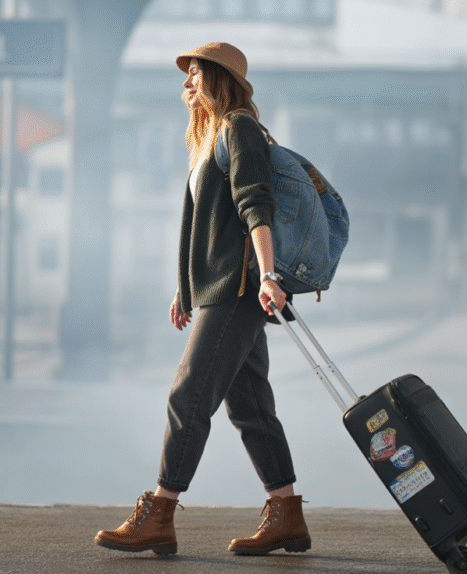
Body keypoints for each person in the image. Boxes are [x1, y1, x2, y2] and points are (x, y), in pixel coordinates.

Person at [94, 42, 311, 557]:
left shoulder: (238, 127)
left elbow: (254, 204)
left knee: (189, 396)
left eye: (194, 75)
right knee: (250, 405)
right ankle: (287, 515)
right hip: (220, 288)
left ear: (218, 79)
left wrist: (268, 274)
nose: (186, 84)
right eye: (185, 76)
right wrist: (184, 288)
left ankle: (160, 514)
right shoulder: (208, 136)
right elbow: (202, 226)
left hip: (239, 291)